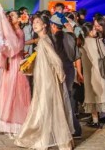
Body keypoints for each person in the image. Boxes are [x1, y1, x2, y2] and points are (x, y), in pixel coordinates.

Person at [15, 15, 74, 150]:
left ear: (44, 25)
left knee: (44, 107)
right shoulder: (44, 40)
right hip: (44, 78)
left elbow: (56, 59)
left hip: (47, 80)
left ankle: (44, 139)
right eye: (33, 22)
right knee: (48, 107)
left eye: (38, 22)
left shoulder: (44, 41)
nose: (34, 24)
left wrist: (60, 73)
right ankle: (50, 139)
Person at [0, 8, 31, 136]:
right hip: (8, 65)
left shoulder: (19, 32)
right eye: (9, 16)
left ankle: (15, 124)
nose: (10, 18)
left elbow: (15, 49)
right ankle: (4, 124)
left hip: (16, 64)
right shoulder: (10, 33)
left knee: (16, 93)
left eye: (12, 16)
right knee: (5, 92)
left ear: (19, 19)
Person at [80, 23, 105, 128]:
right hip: (101, 72)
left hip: (88, 74)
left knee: (92, 97)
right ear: (89, 32)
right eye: (93, 29)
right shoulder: (97, 41)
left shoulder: (82, 43)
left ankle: (95, 120)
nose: (95, 30)